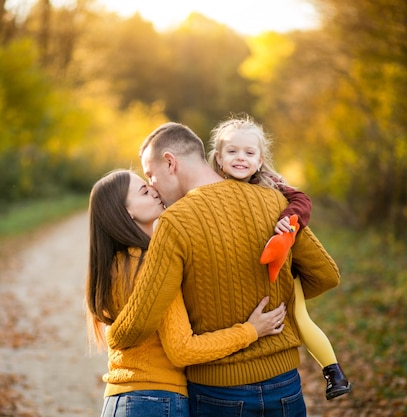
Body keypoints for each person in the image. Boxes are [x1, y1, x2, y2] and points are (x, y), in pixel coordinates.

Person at [106, 122, 341, 417]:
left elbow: (141, 321)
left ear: (170, 162)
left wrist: (113, 336)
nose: (152, 187)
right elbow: (326, 275)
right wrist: (277, 287)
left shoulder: (174, 221)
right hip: (285, 385)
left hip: (218, 392)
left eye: (151, 176)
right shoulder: (273, 201)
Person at [86, 169, 289, 417]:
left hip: (121, 399)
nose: (153, 190)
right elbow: (183, 349)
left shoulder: (116, 263)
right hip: (155, 400)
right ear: (127, 212)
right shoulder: (150, 265)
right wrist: (251, 330)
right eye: (143, 190)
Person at [207, 114, 351, 400]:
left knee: (300, 317)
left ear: (260, 160)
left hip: (283, 268)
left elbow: (302, 201)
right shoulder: (210, 191)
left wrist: (288, 219)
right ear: (219, 158)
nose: (240, 158)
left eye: (249, 153)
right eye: (232, 152)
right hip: (247, 269)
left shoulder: (271, 184)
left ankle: (333, 371)